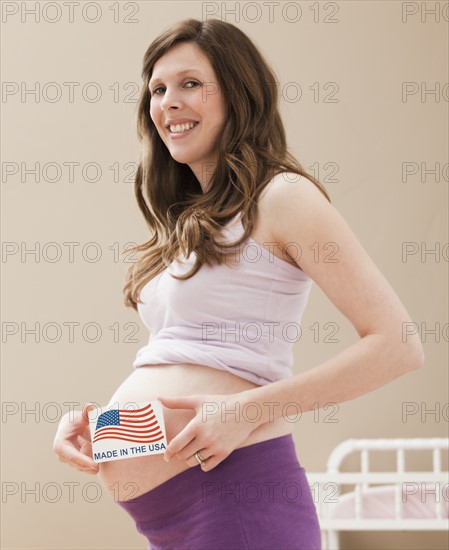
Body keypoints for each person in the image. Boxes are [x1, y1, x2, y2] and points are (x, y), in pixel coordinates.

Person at [53, 18, 424, 550]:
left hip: (238, 502)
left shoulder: (282, 197)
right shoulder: (192, 223)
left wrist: (247, 411)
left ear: (239, 94)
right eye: (158, 89)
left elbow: (399, 346)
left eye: (190, 83)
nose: (168, 102)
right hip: (175, 517)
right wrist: (104, 426)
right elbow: (187, 356)